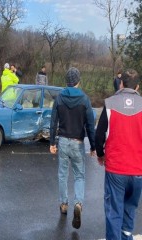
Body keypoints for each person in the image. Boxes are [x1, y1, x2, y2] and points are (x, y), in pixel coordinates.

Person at [95, 69, 142, 240]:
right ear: (137, 86)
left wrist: (100, 154)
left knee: (114, 212)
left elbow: (99, 135)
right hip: (138, 171)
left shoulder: (110, 103)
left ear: (121, 84)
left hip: (116, 169)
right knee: (129, 210)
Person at [49, 67, 96, 229]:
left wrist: (52, 143)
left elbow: (53, 120)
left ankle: (63, 204)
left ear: (66, 81)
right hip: (77, 142)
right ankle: (78, 203)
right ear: (78, 81)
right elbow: (90, 124)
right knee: (79, 176)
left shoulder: (60, 98)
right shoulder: (84, 99)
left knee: (62, 175)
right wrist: (94, 146)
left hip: (62, 141)